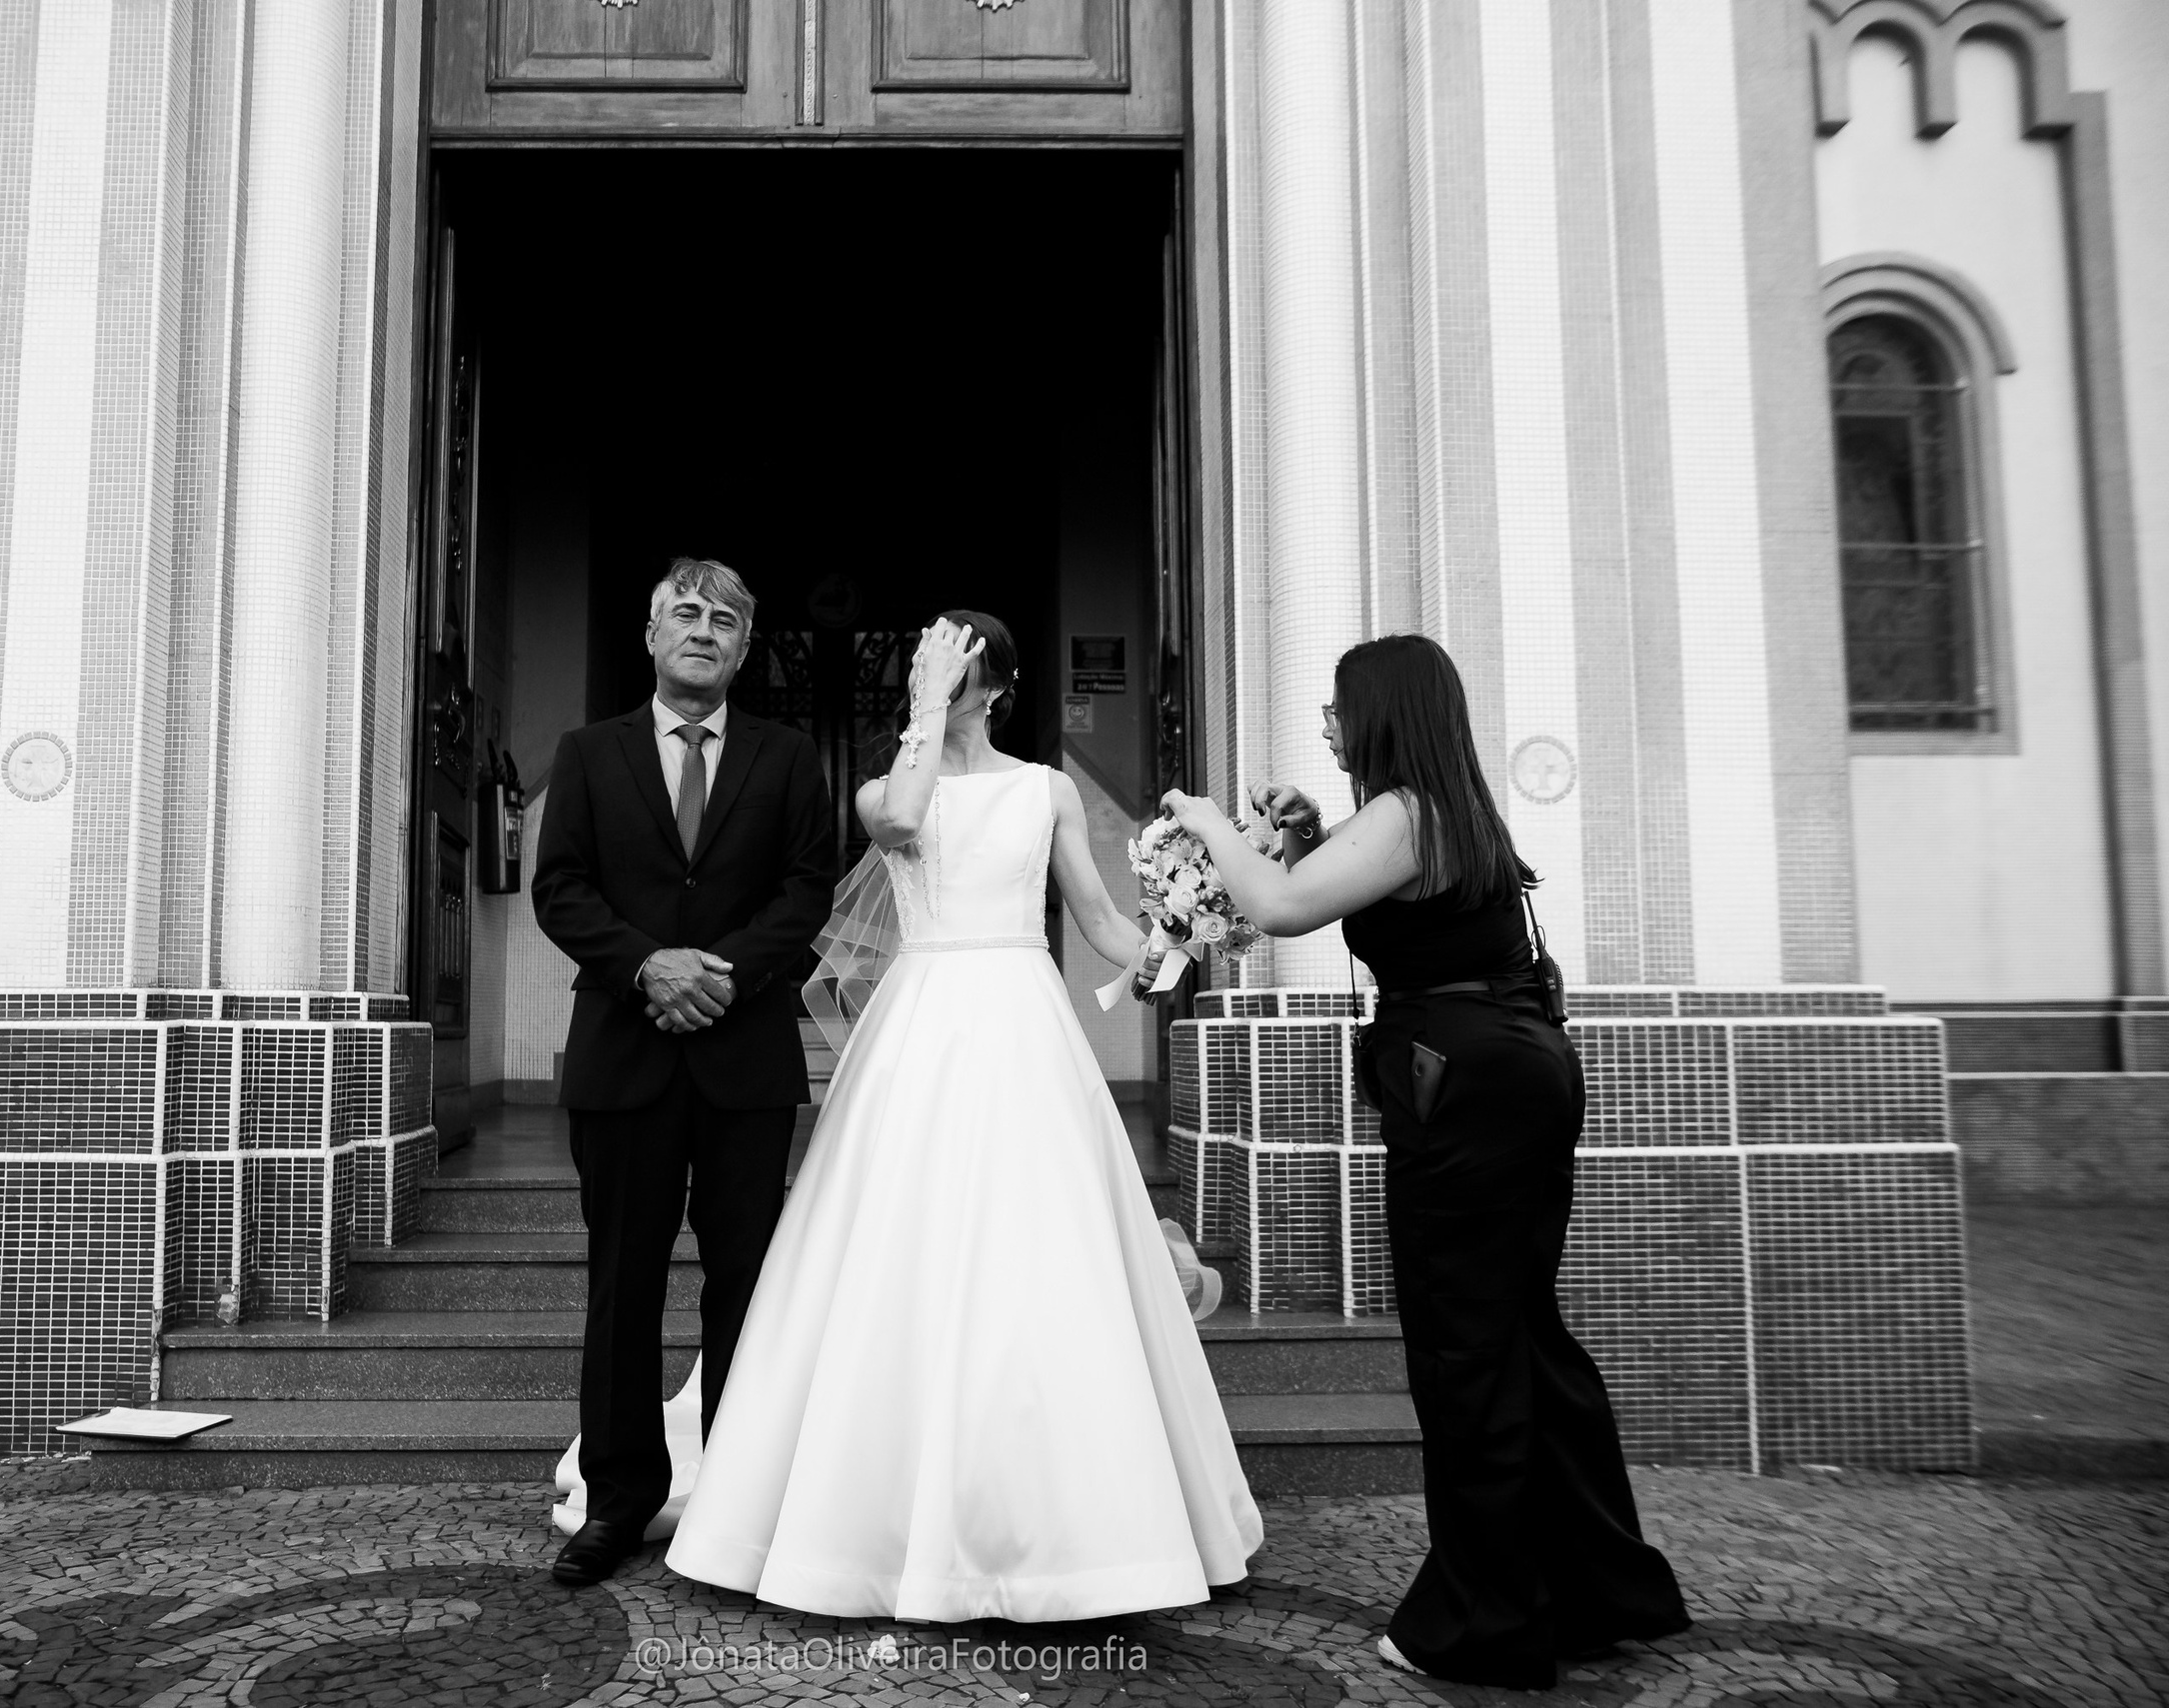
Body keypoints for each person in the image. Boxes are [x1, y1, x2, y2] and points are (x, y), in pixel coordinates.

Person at [663, 613, 1263, 1622]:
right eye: (922, 663)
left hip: (1024, 1024)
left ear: (1000, 683)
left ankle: (1077, 1526)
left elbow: (1103, 921)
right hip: (922, 1023)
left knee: (1039, 1254)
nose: (931, 674)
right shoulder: (883, 784)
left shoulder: (1048, 788)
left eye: (954, 663)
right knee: (901, 1244)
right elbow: (900, 825)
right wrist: (922, 708)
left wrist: (1183, 936)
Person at [1157, 632, 1688, 1691]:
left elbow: (1279, 906)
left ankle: (1486, 1618)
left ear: (1381, 714)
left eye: (1335, 708)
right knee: (1523, 1337)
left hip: (1469, 1091)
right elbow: (1324, 879)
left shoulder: (1406, 812)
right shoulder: (1437, 808)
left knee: (1465, 1350)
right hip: (1514, 1074)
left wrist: (1208, 823)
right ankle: (1594, 1588)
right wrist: (1298, 831)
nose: (1325, 725)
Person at [531, 557, 838, 1589]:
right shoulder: (587, 752)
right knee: (624, 1282)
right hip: (624, 1054)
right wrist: (645, 966)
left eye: (727, 618)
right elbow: (559, 887)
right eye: (686, 612)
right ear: (652, 634)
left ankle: (738, 1501)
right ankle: (620, 1499)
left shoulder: (788, 755)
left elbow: (807, 893)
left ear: (747, 647)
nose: (705, 628)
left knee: (746, 1285)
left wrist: (725, 974)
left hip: (744, 1058)